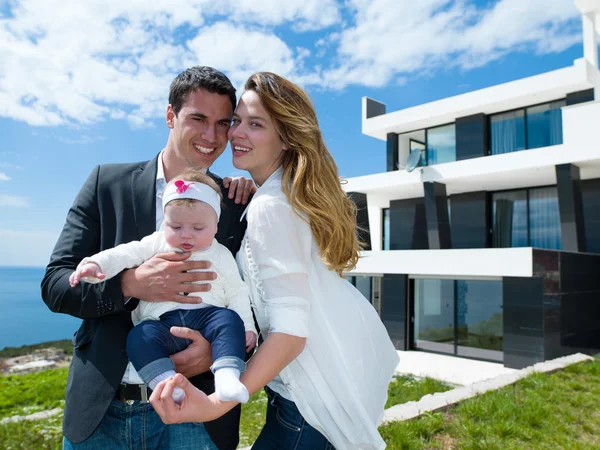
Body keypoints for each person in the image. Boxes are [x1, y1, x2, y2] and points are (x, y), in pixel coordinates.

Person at [150, 72, 400, 450]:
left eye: (255, 124)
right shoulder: (285, 196)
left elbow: (290, 334)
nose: (235, 133)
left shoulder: (271, 208)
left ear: (286, 139)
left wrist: (218, 403)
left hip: (306, 405)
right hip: (326, 390)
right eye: (237, 121)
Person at [42, 66, 255, 450]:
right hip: (101, 413)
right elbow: (56, 284)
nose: (211, 136)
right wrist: (129, 284)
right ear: (170, 115)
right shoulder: (105, 184)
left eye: (223, 123)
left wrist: (219, 351)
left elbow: (253, 300)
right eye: (198, 119)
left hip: (198, 411)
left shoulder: (237, 201)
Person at [69, 170, 257, 405]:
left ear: (216, 226)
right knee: (139, 337)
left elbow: (237, 291)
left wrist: (247, 326)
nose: (186, 235)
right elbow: (126, 253)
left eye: (198, 228)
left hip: (208, 319)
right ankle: (167, 384)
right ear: (164, 222)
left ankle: (227, 377)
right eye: (175, 226)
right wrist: (96, 264)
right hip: (161, 324)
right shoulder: (156, 242)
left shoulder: (221, 254)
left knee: (229, 321)